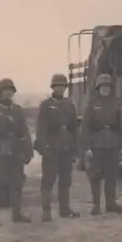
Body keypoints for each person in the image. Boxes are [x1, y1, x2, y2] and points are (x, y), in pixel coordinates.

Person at [0, 78, 33, 227]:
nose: (8, 93)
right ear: (0, 93)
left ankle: (17, 213)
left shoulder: (17, 110)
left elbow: (25, 131)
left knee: (16, 183)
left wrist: (28, 151)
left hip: (16, 151)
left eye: (10, 90)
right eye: (5, 90)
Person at [35, 74, 80, 221]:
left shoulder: (69, 104)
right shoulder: (46, 105)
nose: (60, 89)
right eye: (57, 86)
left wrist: (75, 148)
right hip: (51, 147)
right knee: (48, 180)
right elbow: (41, 128)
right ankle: (46, 210)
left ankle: (64, 209)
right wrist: (44, 146)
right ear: (53, 87)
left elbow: (74, 127)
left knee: (65, 180)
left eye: (63, 86)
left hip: (66, 147)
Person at [80, 74, 122, 215]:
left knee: (111, 175)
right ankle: (96, 205)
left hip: (112, 143)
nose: (105, 89)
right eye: (102, 87)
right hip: (97, 143)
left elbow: (121, 126)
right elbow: (85, 127)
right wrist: (87, 147)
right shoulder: (92, 104)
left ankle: (111, 203)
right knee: (95, 175)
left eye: (107, 86)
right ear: (98, 88)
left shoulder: (116, 103)